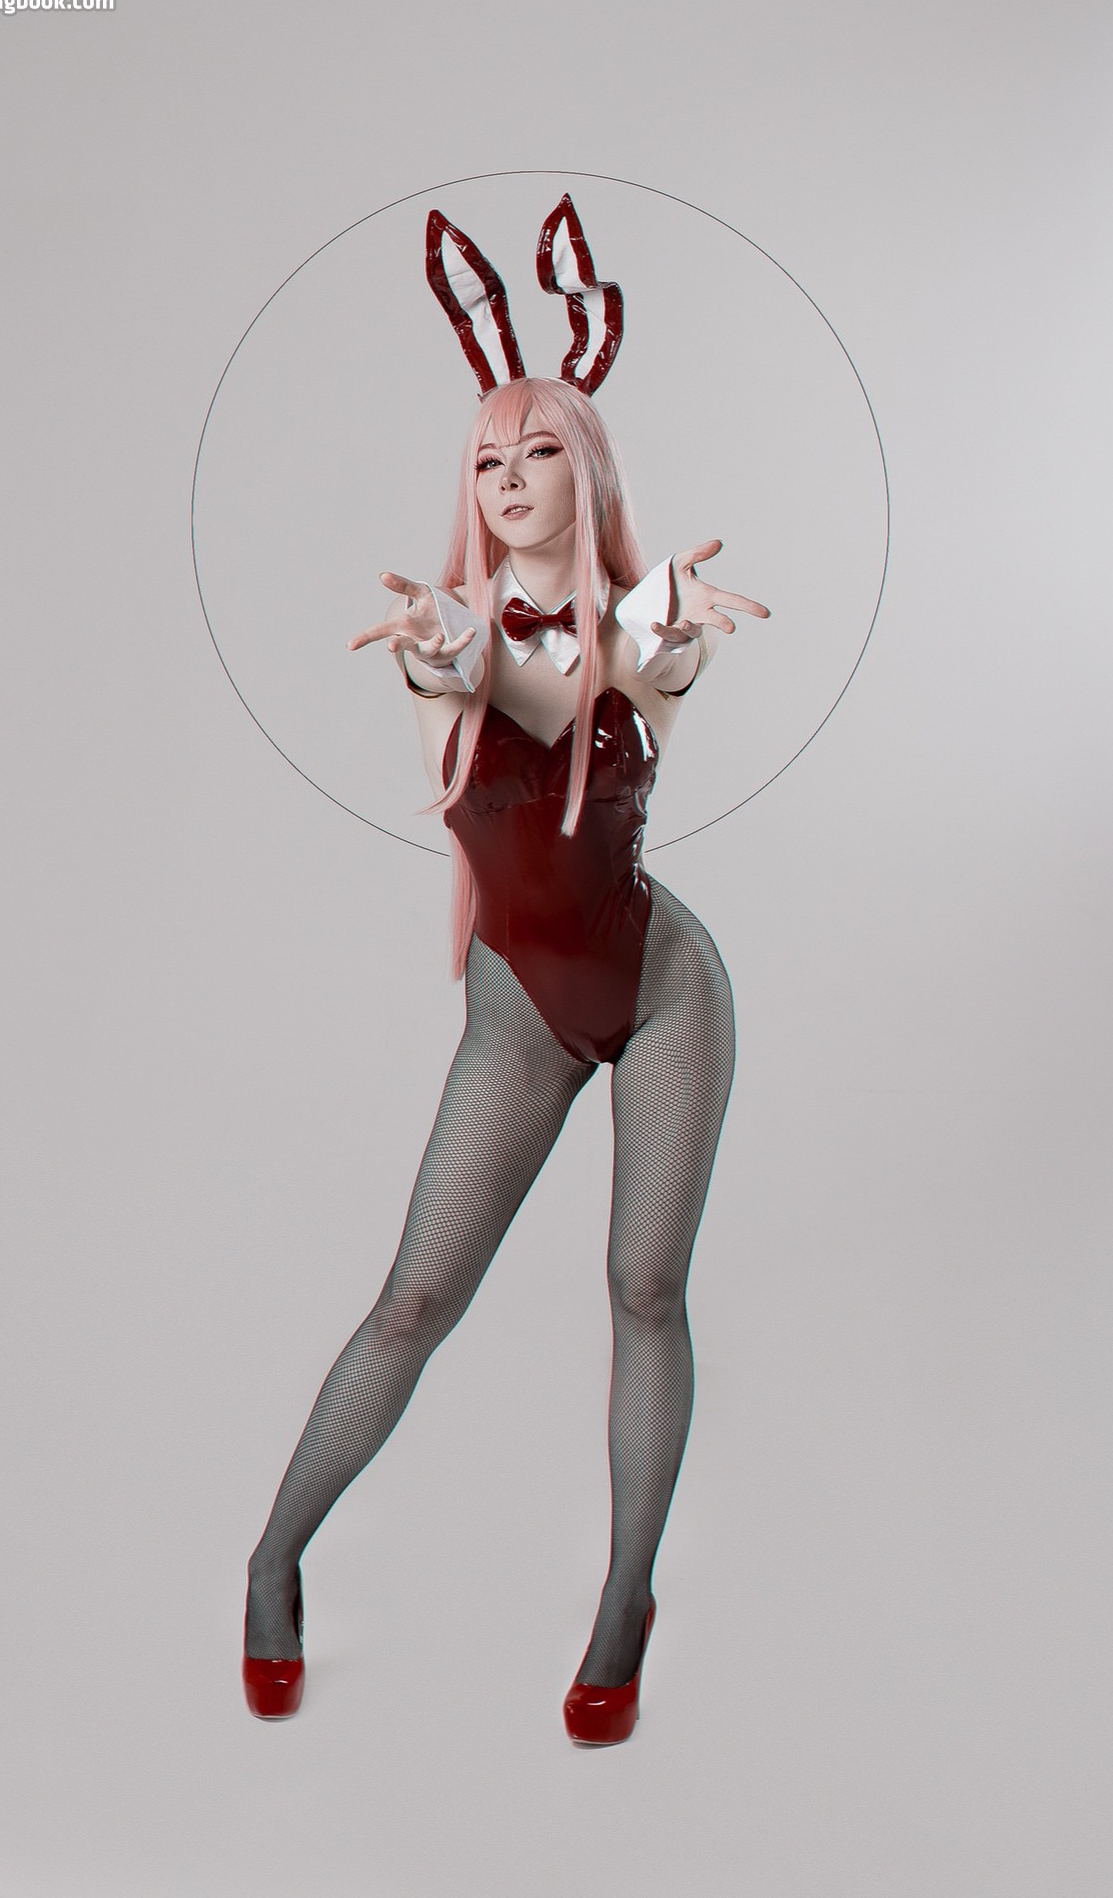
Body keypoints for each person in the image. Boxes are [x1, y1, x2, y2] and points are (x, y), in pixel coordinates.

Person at [242, 206, 768, 1746]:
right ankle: (273, 1563)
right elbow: (502, 682)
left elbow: (625, 672)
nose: (512, 478)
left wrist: (668, 626)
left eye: (540, 451)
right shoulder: (456, 640)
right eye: (488, 460)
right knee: (414, 1301)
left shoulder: (653, 626)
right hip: (522, 1012)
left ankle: (625, 1604)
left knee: (645, 1287)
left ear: (587, 468)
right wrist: (445, 643)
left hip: (663, 979)